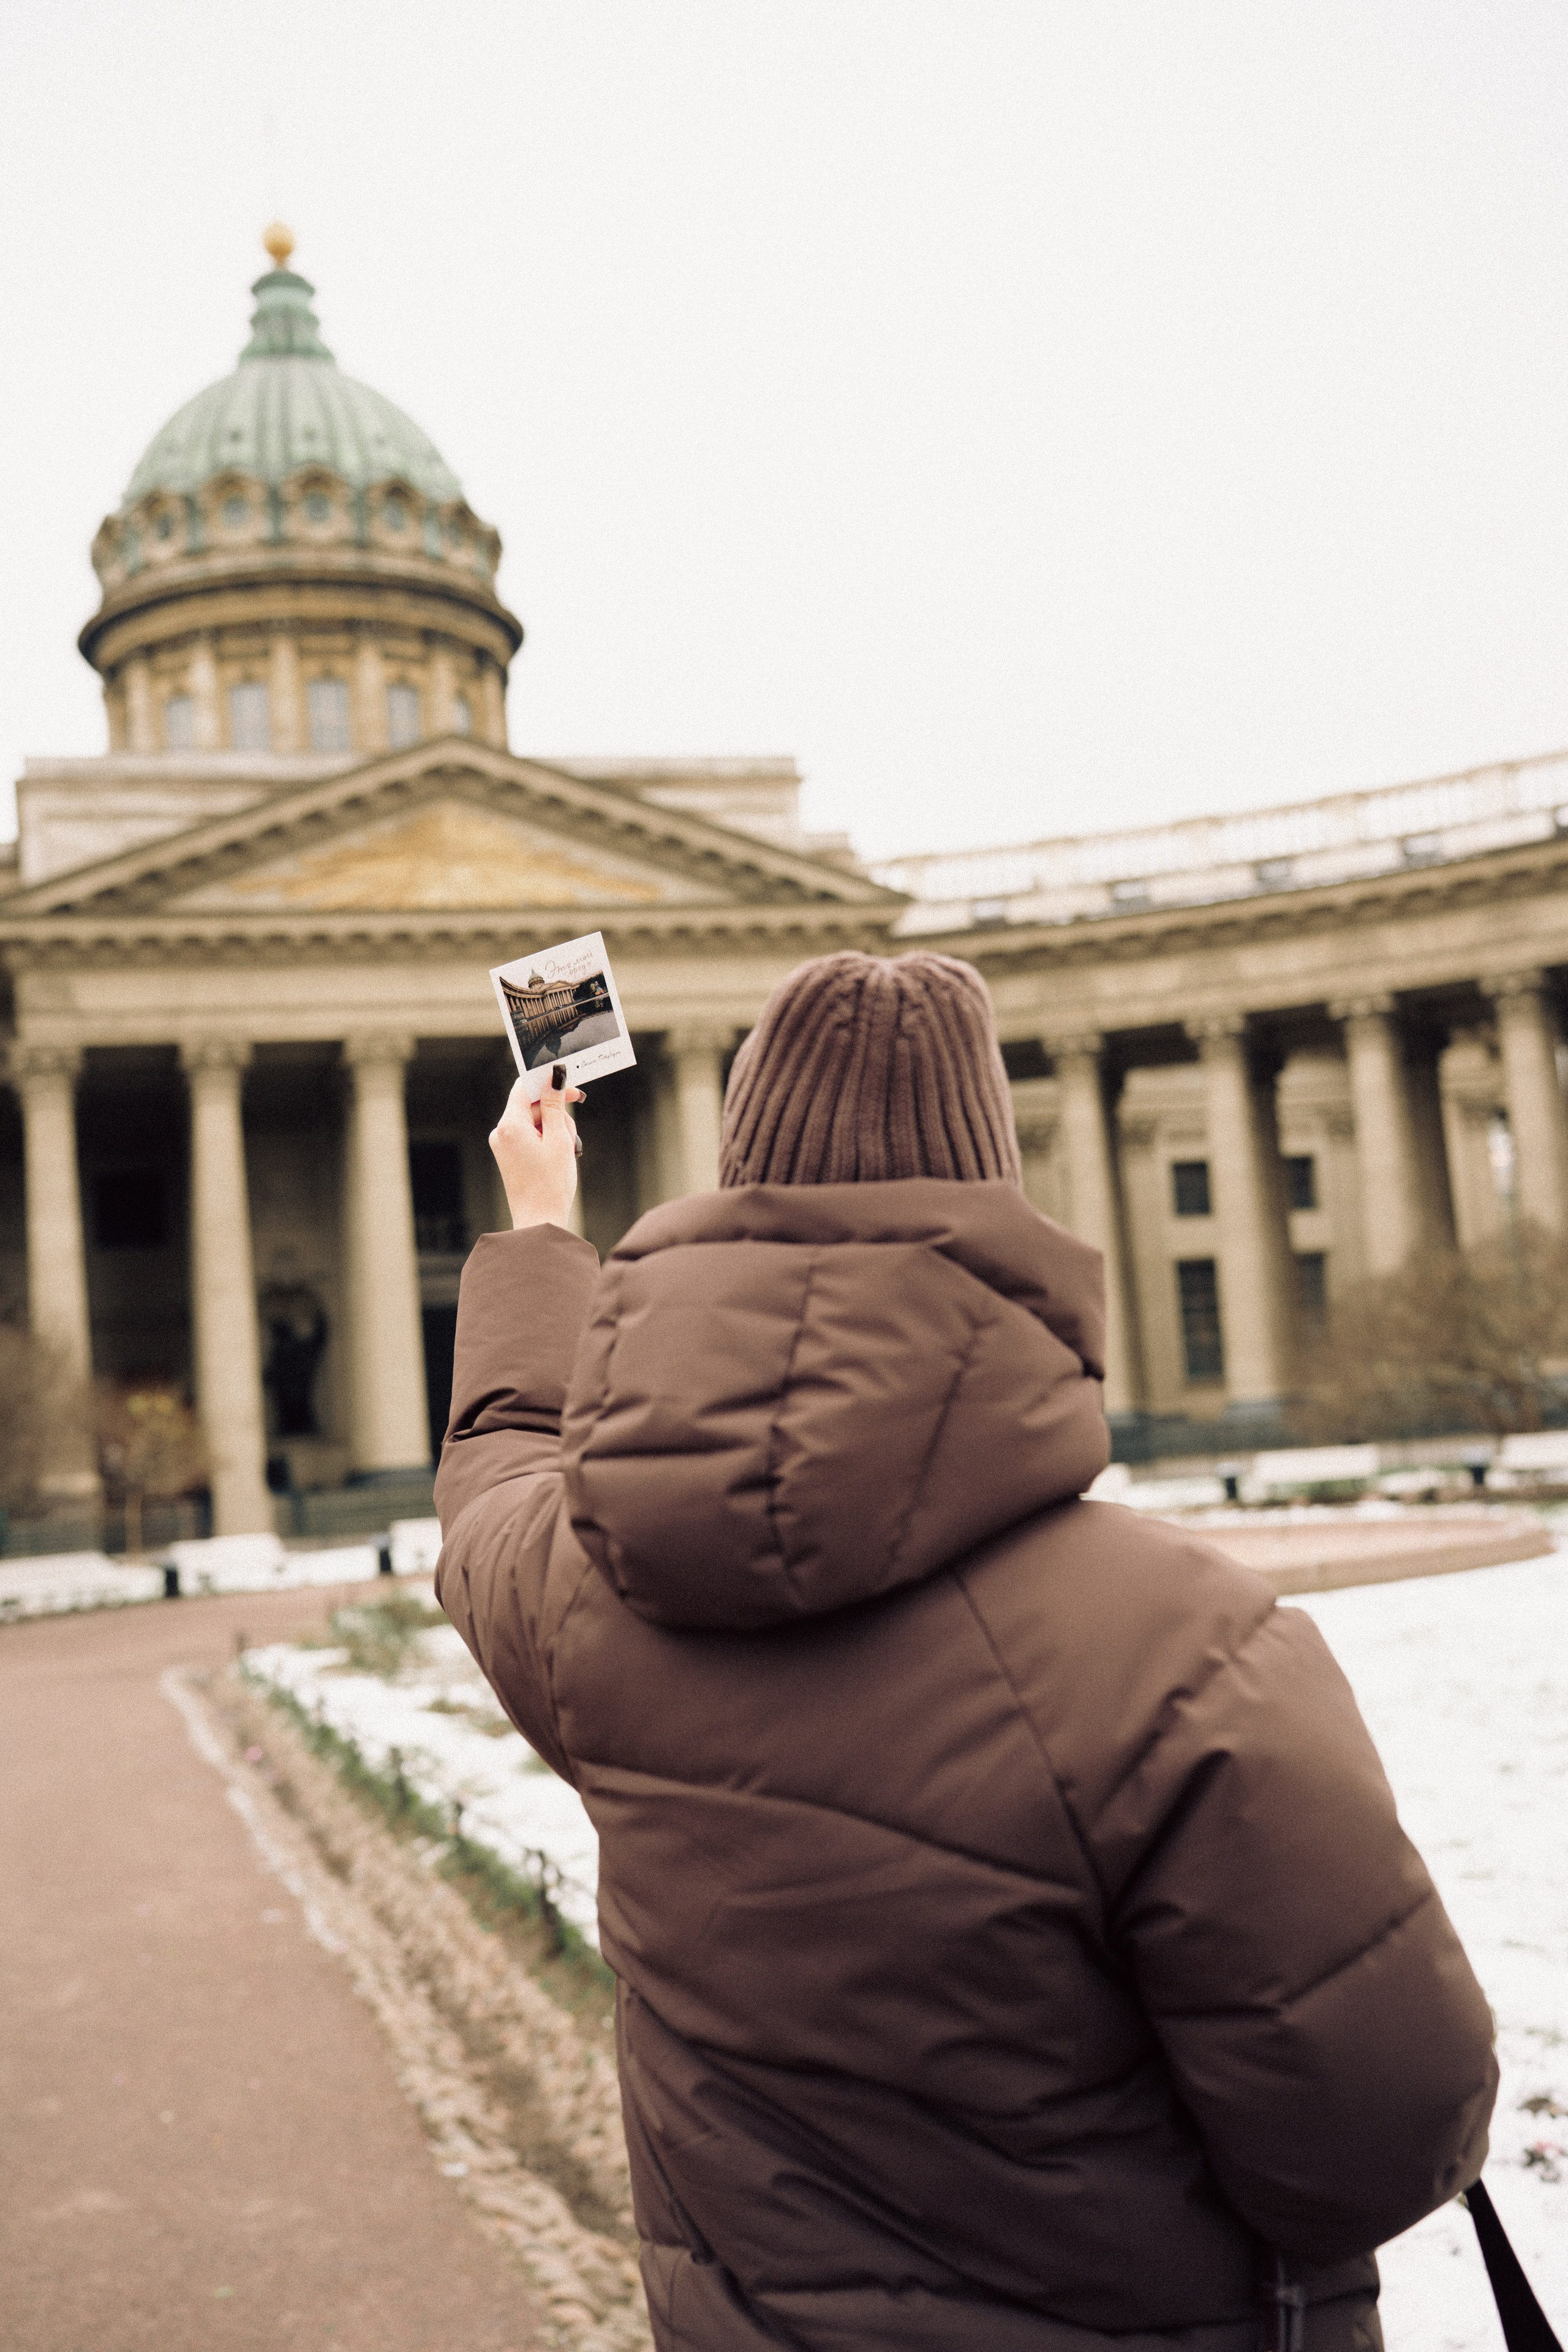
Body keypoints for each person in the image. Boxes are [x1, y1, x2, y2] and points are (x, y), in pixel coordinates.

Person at [434, 951, 1497, 2352]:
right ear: (1000, 1209)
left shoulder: (595, 1599)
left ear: (744, 1188)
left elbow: (492, 1495)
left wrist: (538, 1231)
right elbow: (1376, 2142)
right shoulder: (1185, 1647)